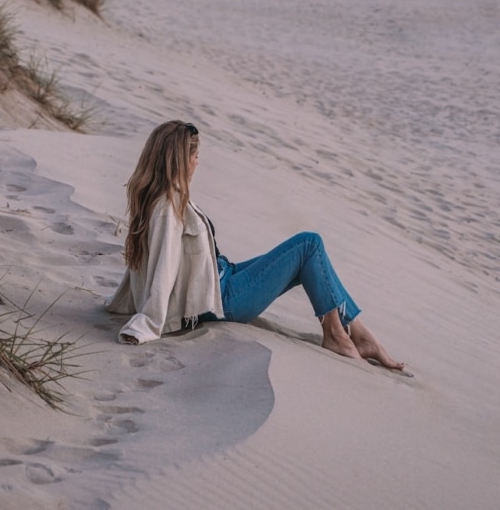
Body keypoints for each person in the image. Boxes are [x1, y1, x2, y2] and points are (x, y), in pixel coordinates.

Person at [105, 120, 404, 370]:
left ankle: (358, 333)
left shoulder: (157, 198)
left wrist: (126, 300)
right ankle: (338, 334)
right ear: (180, 161)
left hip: (223, 276)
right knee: (309, 245)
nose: (198, 162)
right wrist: (147, 321)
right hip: (225, 299)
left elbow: (144, 263)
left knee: (308, 257)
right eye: (195, 156)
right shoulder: (167, 208)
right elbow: (163, 267)